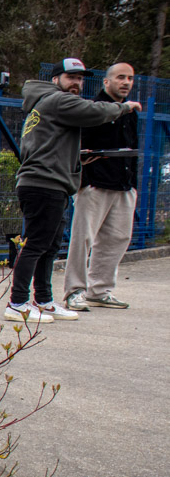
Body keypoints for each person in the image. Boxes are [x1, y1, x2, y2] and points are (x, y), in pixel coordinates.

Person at [7, 57, 142, 324]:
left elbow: (47, 147)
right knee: (36, 245)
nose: (77, 83)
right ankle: (17, 302)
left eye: (80, 78)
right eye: (71, 77)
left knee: (49, 246)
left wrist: (78, 159)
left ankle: (44, 300)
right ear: (55, 79)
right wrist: (124, 107)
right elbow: (96, 112)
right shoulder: (57, 100)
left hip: (52, 182)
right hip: (43, 183)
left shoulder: (48, 104)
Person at [64, 62, 139, 311]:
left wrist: (132, 185)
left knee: (117, 238)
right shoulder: (93, 109)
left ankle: (100, 290)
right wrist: (83, 181)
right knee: (83, 239)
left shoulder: (131, 111)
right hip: (94, 185)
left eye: (130, 78)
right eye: (120, 77)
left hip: (123, 185)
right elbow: (78, 147)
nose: (126, 82)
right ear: (106, 81)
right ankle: (75, 291)